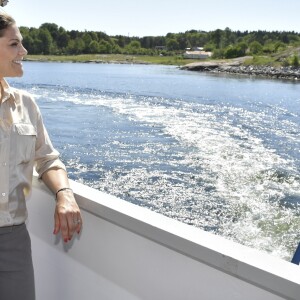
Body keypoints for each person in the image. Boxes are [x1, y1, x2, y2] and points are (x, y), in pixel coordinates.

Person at [0, 11, 82, 300]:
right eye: (14, 44)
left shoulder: (27, 105)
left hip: (13, 241)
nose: (24, 51)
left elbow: (47, 159)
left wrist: (64, 194)